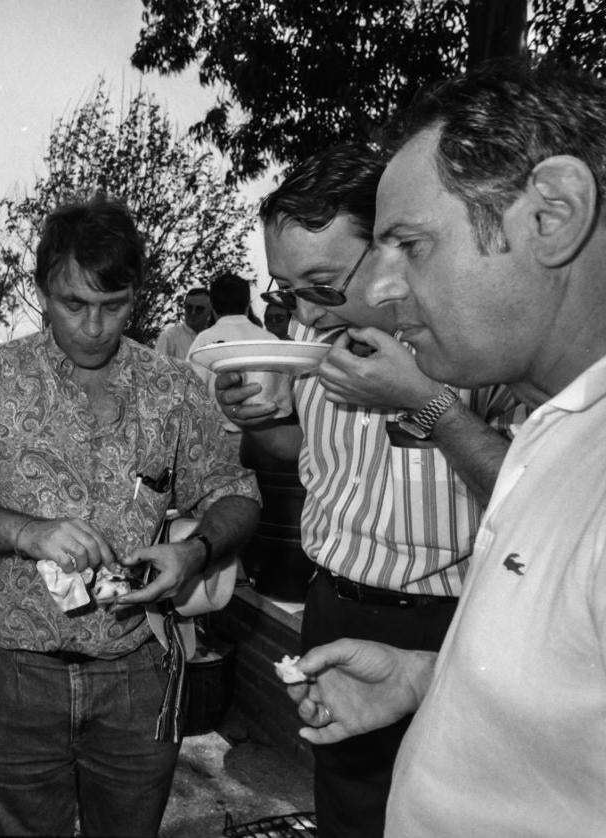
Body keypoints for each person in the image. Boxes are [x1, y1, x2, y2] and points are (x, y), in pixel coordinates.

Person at [288, 61, 606, 837]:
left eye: (410, 246)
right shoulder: (559, 428)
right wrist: (429, 679)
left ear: (553, 214)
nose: (385, 291)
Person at [213, 142, 522, 838]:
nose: (307, 315)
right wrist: (256, 423)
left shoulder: (477, 341)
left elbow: (538, 503)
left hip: (451, 623)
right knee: (347, 807)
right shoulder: (308, 336)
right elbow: (309, 455)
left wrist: (426, 401)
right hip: (334, 609)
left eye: (323, 286)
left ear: (387, 249)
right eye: (287, 290)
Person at [0, 198, 261, 837]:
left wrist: (194, 553)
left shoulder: (170, 387)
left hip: (138, 674)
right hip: (16, 674)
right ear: (43, 291)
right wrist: (30, 532)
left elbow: (235, 490)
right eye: (73, 304)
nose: (94, 326)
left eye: (114, 305)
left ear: (136, 296)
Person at [186, 271, 278, 435]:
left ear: (212, 307)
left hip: (220, 438)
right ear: (247, 305)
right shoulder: (270, 339)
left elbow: (191, 395)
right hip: (270, 439)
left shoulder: (204, 341)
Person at [154, 287, 211, 358]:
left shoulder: (214, 338)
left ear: (210, 310)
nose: (193, 312)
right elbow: (158, 366)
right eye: (189, 307)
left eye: (199, 309)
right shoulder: (169, 337)